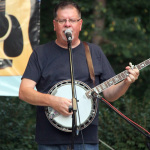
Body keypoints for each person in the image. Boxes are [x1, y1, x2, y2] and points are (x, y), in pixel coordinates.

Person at [19, 1, 139, 150]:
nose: (67, 24)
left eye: (72, 20)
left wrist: (126, 82)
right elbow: (24, 92)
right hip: (49, 140)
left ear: (80, 24)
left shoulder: (95, 52)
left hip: (86, 139)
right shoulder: (40, 53)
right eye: (62, 20)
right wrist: (53, 101)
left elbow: (110, 94)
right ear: (54, 24)